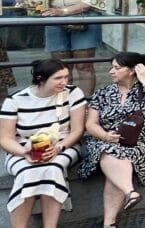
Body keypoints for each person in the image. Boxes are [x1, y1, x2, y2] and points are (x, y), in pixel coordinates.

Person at [78, 52, 145, 226]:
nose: (111, 71)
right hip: (106, 140)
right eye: (112, 67)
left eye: (117, 68)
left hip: (140, 142)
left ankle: (110, 221)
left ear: (132, 70)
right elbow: (90, 124)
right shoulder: (103, 93)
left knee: (116, 160)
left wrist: (144, 79)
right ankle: (129, 195)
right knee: (112, 152)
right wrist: (106, 136)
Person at [0, 58, 87, 228]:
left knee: (52, 168)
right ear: (40, 78)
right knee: (27, 172)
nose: (64, 82)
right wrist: (24, 153)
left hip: (64, 144)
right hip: (22, 148)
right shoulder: (15, 101)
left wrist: (59, 148)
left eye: (66, 77)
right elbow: (5, 138)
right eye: (58, 78)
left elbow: (77, 130)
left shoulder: (73, 93)